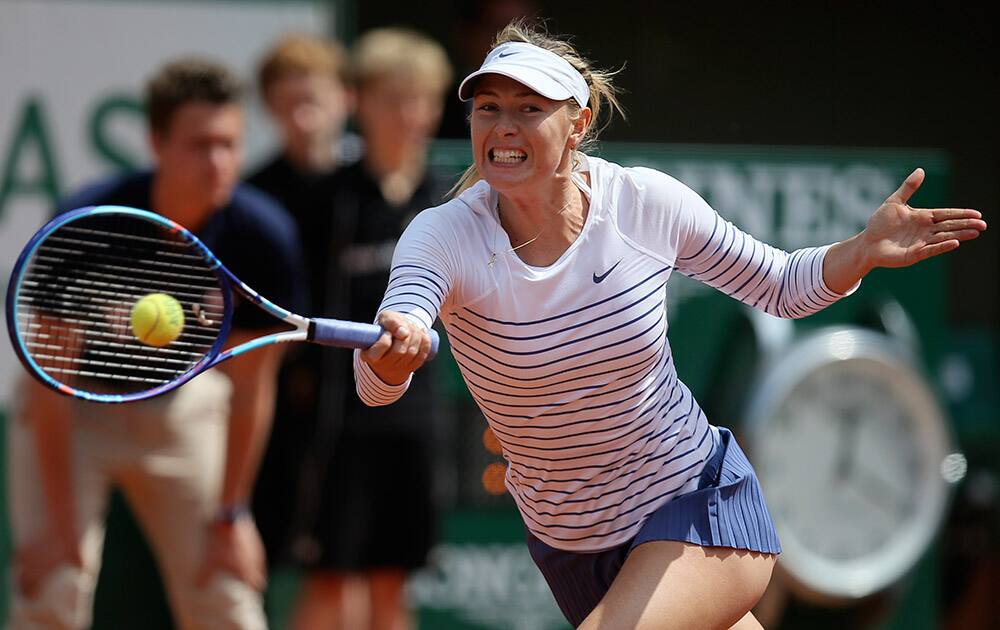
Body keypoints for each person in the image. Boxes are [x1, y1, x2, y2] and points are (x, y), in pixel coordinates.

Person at [353, 20, 987, 630]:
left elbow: (783, 285)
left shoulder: (644, 202)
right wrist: (393, 352)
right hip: (572, 548)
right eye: (488, 108)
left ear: (577, 125)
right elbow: (383, 364)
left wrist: (863, 250)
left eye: (528, 108)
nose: (503, 126)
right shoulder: (441, 235)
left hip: (696, 500)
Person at [7, 57, 306, 630]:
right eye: (200, 145)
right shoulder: (82, 225)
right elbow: (48, 385)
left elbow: (251, 387)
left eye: (230, 144)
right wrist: (59, 530)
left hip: (183, 407)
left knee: (225, 595)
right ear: (156, 142)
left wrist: (231, 515)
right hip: (74, 408)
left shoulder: (262, 236)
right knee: (54, 590)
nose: (219, 163)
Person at [285, 28, 453, 630]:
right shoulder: (327, 198)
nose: (408, 115)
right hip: (336, 429)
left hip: (415, 427)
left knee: (391, 586)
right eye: (392, 99)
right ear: (360, 103)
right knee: (333, 586)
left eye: (421, 99)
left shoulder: (452, 203)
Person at [245, 32, 355, 574]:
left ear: (345, 100)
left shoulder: (366, 189)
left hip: (364, 402)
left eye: (313, 97)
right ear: (269, 107)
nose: (303, 114)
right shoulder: (253, 195)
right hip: (274, 405)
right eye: (289, 102)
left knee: (360, 569)